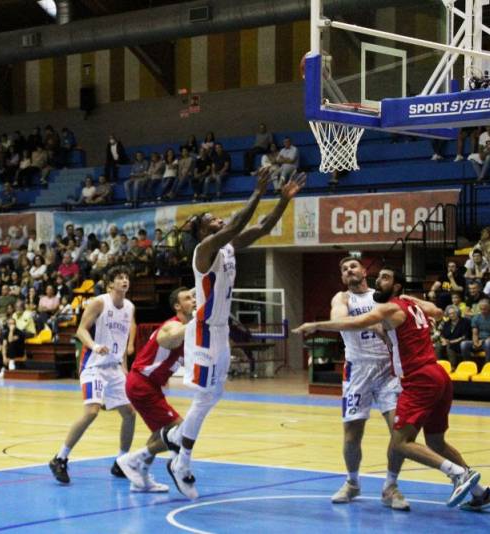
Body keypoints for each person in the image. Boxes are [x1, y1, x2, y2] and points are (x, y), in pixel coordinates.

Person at [293, 268, 490, 510]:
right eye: (379, 277)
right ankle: (479, 493)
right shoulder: (401, 305)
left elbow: (357, 322)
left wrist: (316, 324)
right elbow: (438, 312)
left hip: (416, 377)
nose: (379, 280)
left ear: (397, 286)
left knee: (400, 441)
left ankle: (456, 475)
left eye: (385, 278)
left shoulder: (390, 307)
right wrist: (412, 299)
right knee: (435, 442)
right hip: (434, 374)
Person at [163, 169, 306, 499]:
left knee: (214, 395)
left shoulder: (227, 247)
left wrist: (283, 201)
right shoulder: (205, 251)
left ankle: (175, 438)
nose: (219, 221)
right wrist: (257, 191)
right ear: (203, 230)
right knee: (204, 397)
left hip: (219, 331)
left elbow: (263, 227)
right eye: (213, 220)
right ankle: (181, 462)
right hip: (202, 332)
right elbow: (238, 223)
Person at [326, 257, 409, 510]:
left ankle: (391, 486)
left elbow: (407, 308)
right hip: (357, 370)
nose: (349, 270)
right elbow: (338, 319)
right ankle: (352, 483)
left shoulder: (381, 296)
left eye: (353, 266)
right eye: (344, 269)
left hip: (387, 370)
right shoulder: (342, 299)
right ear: (343, 277)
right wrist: (372, 324)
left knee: (399, 432)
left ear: (364, 271)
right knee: (352, 434)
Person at [49, 266, 137, 484]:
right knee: (92, 412)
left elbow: (123, 338)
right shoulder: (99, 302)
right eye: (119, 278)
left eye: (126, 277)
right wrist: (94, 346)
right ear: (110, 285)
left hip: (114, 367)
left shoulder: (129, 307)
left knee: (130, 413)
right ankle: (60, 458)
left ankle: (121, 461)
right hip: (94, 366)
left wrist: (124, 366)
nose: (124, 280)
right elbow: (80, 330)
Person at [115, 287, 195, 493]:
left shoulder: (190, 331)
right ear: (177, 306)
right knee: (179, 430)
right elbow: (173, 337)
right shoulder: (172, 326)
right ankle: (132, 460)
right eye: (187, 298)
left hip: (149, 385)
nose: (193, 300)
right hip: (141, 383)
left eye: (193, 297)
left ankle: (140, 477)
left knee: (161, 434)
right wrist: (198, 321)